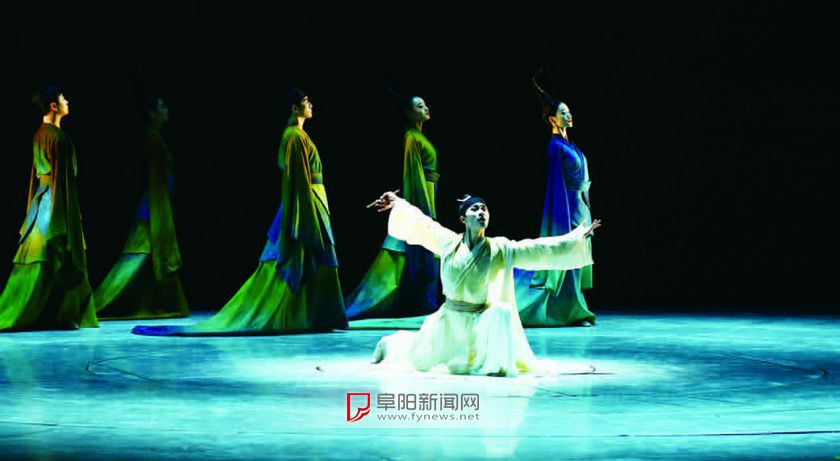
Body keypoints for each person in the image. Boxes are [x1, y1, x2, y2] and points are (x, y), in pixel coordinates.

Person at [132, 88, 347, 336]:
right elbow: (296, 180)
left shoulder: (299, 135)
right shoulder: (293, 137)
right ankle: (295, 314)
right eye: (306, 101)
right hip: (305, 203)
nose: (311, 105)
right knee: (293, 257)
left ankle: (316, 314)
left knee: (317, 258)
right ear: (294, 107)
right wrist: (302, 217)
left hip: (314, 201)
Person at [369, 191, 599, 376]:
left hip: (479, 321)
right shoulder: (448, 242)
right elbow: (422, 224)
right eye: (475, 209)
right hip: (449, 322)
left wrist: (575, 238)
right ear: (463, 219)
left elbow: (536, 248)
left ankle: (493, 366)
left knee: (501, 312)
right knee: (414, 356)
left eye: (484, 209)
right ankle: (390, 345)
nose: (481, 212)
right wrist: (397, 202)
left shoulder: (499, 248)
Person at [0, 84, 98, 331]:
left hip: (42, 201)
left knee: (41, 259)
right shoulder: (58, 138)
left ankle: (53, 313)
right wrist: (66, 218)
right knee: (57, 254)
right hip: (55, 202)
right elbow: (63, 182)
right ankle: (62, 314)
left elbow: (35, 177)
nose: (68, 102)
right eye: (64, 99)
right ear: (53, 106)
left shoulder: (40, 134)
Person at [345, 88, 439, 320]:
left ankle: (422, 300)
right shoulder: (412, 138)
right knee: (422, 247)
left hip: (429, 192)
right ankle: (420, 301)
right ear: (408, 113)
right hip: (423, 194)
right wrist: (422, 209)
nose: (425, 108)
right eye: (419, 106)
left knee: (427, 248)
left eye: (425, 105)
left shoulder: (418, 137)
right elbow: (413, 174)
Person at [514, 70, 597, 327]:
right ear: (552, 118)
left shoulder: (571, 144)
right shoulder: (555, 146)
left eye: (569, 111)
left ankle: (574, 306)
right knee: (568, 252)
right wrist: (562, 215)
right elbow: (555, 184)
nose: (569, 115)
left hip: (582, 206)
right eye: (563, 113)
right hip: (567, 206)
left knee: (579, 254)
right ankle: (570, 310)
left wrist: (587, 206)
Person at [95, 96, 189, 320]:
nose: (167, 109)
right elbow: (156, 179)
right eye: (162, 106)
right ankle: (98, 304)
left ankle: (157, 303)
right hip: (153, 208)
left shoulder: (155, 138)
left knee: (144, 258)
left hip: (157, 205)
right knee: (135, 256)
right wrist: (160, 212)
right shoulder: (152, 139)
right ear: (152, 113)